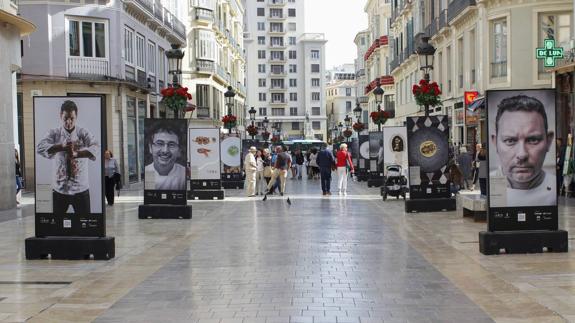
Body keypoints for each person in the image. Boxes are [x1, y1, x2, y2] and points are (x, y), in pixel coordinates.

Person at [490, 95, 556, 206]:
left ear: (548, 142)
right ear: (495, 143)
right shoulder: (489, 186)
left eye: (533, 140)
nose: (522, 154)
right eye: (510, 141)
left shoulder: (555, 189)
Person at [37, 100, 99, 214]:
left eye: (72, 118)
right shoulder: (54, 133)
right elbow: (40, 147)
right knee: (56, 225)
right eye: (65, 118)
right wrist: (61, 146)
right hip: (59, 190)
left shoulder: (83, 133)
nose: (69, 122)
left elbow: (96, 147)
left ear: (76, 116)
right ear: (60, 115)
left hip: (81, 189)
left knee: (84, 224)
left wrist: (77, 154)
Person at [145, 121, 186, 190]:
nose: (165, 150)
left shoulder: (184, 175)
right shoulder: (146, 173)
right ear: (150, 148)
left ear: (179, 150)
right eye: (159, 143)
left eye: (171, 144)